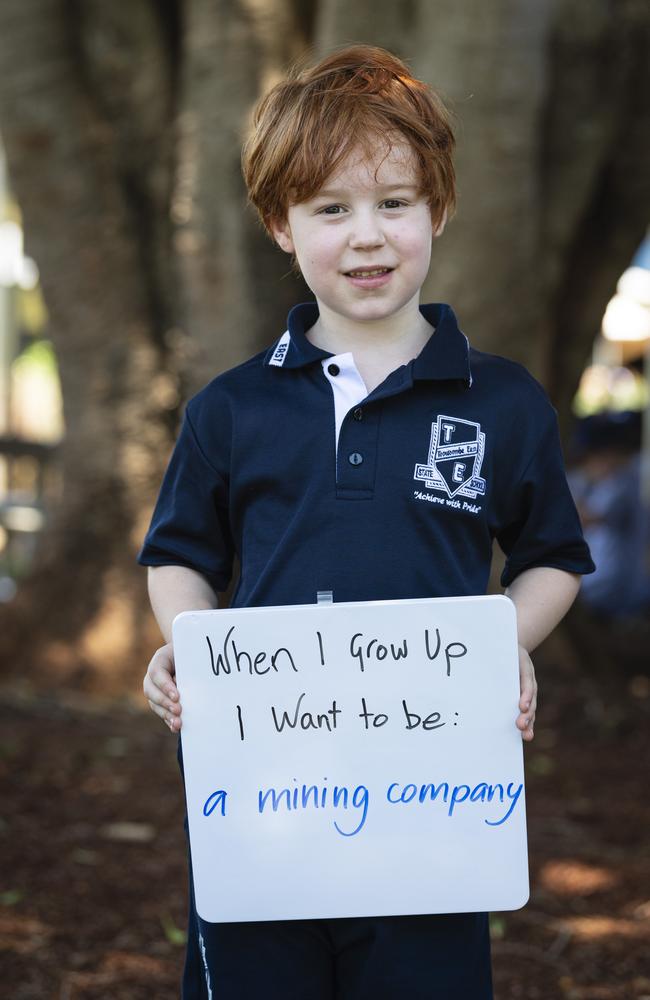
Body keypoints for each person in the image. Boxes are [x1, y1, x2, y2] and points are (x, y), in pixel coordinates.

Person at [139, 45, 594, 1000]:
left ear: (440, 209)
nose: (368, 237)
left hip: (432, 801)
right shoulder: (231, 409)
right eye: (330, 209)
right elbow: (180, 555)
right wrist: (188, 644)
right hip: (262, 795)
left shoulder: (503, 403)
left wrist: (494, 647)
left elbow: (552, 557)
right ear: (279, 224)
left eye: (395, 203)